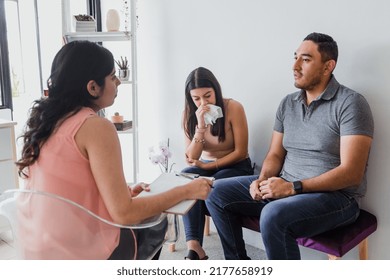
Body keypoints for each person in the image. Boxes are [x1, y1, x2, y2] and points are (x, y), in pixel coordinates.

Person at [15, 41, 212, 260]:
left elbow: (66, 190)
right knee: (155, 221)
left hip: (38, 251)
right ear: (92, 87)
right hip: (81, 254)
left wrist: (124, 192)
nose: (118, 82)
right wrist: (187, 190)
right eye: (112, 76)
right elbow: (124, 214)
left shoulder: (43, 123)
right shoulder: (95, 126)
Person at [206, 32, 374, 260]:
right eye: (295, 57)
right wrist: (261, 179)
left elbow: (351, 173)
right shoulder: (287, 103)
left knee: (273, 214)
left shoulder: (351, 103)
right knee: (215, 192)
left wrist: (292, 187)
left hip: (337, 199)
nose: (295, 66)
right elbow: (275, 154)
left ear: (328, 66)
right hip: (286, 185)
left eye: (305, 59)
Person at [181, 67, 254, 260]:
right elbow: (191, 157)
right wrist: (201, 127)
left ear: (216, 91)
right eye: (197, 99)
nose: (203, 103)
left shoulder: (233, 108)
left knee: (209, 185)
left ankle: (237, 258)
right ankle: (194, 246)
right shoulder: (190, 114)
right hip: (206, 168)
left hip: (237, 167)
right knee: (186, 174)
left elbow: (241, 152)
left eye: (208, 96)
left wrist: (209, 167)